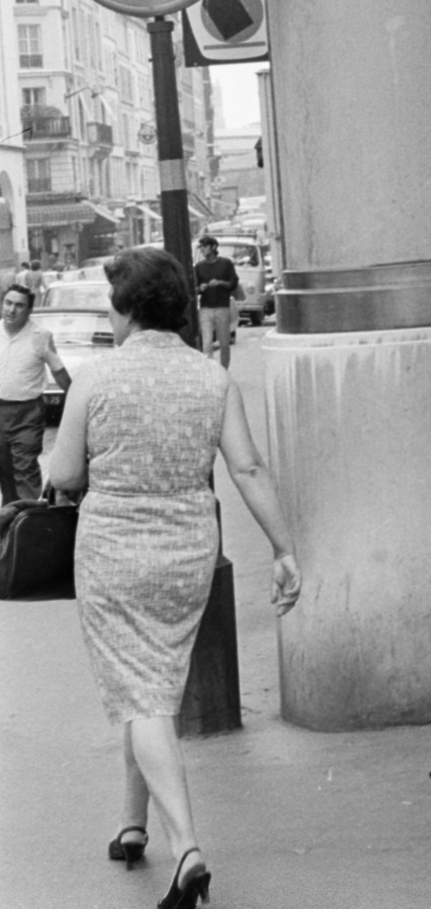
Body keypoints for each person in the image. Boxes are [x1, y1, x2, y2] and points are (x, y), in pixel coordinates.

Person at [47, 247, 301, 909]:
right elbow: (247, 470)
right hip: (188, 552)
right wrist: (283, 548)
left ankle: (186, 846)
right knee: (150, 681)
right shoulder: (211, 380)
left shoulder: (94, 381)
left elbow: (66, 474)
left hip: (113, 554)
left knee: (139, 695)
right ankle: (132, 823)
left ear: (129, 308)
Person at [0, 282, 70, 503]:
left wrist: (77, 397)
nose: (12, 310)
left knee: (26, 468)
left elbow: (58, 371)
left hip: (27, 413)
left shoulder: (41, 336)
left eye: (19, 306)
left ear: (29, 310)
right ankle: (9, 530)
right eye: (8, 303)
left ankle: (30, 526)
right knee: (5, 474)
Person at [194, 234, 243, 369]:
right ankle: (210, 372)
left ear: (213, 247)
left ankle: (224, 371)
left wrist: (221, 283)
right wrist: (200, 288)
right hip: (205, 308)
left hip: (222, 307)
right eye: (201, 247)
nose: (202, 249)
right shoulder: (198, 267)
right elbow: (194, 288)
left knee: (224, 344)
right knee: (207, 343)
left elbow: (234, 283)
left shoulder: (226, 263)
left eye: (205, 246)